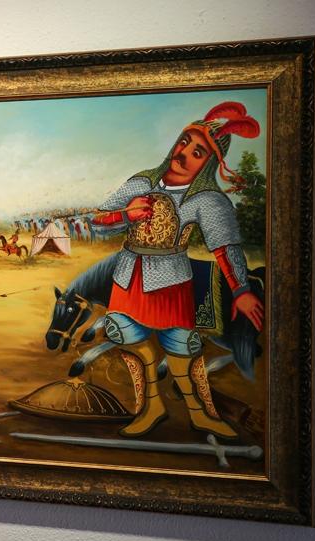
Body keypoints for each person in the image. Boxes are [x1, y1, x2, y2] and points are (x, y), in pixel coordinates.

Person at [91, 101, 264, 440]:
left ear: (209, 163)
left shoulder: (207, 199)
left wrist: (241, 290)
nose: (184, 153)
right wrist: (126, 215)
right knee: (125, 336)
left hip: (172, 280)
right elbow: (98, 221)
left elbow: (225, 247)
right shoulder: (141, 182)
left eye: (198, 152)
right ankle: (151, 406)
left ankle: (201, 414)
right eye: (184, 142)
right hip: (127, 277)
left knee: (182, 349)